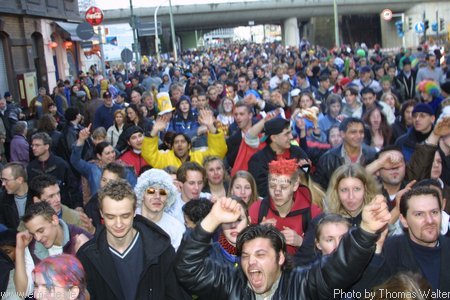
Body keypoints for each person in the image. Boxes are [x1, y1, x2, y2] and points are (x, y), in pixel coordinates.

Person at [175, 194, 390, 299]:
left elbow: (340, 268)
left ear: (279, 257)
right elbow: (187, 269)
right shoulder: (231, 285)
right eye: (246, 256)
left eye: (260, 254)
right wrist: (212, 220)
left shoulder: (302, 285)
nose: (251, 262)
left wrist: (365, 232)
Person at [76, 180, 189, 300]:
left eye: (125, 216)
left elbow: (176, 294)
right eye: (111, 217)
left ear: (135, 211)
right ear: (101, 214)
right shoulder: (87, 256)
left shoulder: (161, 249)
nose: (118, 224)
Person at [356, 187, 450, 293]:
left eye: (434, 212)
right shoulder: (389, 250)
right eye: (419, 214)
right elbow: (364, 292)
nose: (429, 220)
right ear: (404, 220)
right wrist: (377, 250)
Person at [296, 163, 381, 266]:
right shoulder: (321, 221)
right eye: (344, 190)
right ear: (336, 192)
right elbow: (302, 262)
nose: (351, 196)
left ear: (366, 190)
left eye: (356, 189)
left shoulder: (376, 221)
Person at [14, 202, 91, 297]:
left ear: (54, 220)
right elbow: (23, 293)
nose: (37, 238)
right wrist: (20, 250)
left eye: (41, 230)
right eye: (33, 234)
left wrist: (84, 255)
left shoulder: (82, 239)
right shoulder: (31, 246)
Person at [249, 159, 322, 255]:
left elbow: (325, 252)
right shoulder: (257, 209)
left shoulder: (313, 212)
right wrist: (258, 232)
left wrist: (301, 242)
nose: (277, 192)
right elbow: (241, 248)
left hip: (300, 268)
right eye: (272, 186)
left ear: (295, 185)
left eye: (283, 187)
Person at [142, 110, 227, 169]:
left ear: (189, 145)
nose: (179, 144)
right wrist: (154, 131)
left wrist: (211, 127)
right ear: (172, 147)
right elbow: (149, 155)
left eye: (183, 141)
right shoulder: (165, 159)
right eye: (176, 142)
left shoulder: (199, 157)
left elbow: (218, 152)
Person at [248, 117, 308, 197]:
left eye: (290, 132)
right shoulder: (258, 160)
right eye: (286, 134)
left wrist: (305, 169)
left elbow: (308, 176)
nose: (291, 137)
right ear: (274, 138)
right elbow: (262, 190)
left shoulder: (297, 152)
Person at [313, 117, 377, 190]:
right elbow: (319, 187)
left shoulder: (372, 154)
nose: (358, 136)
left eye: (361, 132)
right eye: (353, 132)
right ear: (342, 134)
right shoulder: (328, 159)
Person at [27, 132, 82, 210]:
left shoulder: (61, 165)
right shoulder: (30, 168)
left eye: (37, 145)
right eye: (32, 145)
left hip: (62, 207)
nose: (34, 148)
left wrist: (78, 206)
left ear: (47, 146)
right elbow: (29, 193)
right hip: (39, 211)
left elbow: (73, 187)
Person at [135, 168, 185, 251]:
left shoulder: (176, 228)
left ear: (168, 196)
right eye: (151, 191)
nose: (157, 196)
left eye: (162, 192)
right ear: (141, 194)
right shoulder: (130, 221)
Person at [28, 174, 95, 234]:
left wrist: (92, 231)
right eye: (51, 196)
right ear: (37, 200)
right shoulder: (27, 225)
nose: (58, 199)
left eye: (58, 193)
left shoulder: (77, 219)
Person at [209, 198, 249, 268]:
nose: (233, 225)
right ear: (220, 223)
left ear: (249, 221)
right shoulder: (211, 254)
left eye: (238, 219)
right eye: (227, 220)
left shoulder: (259, 252)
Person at [0, 163, 33, 230]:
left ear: (19, 180)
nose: (3, 184)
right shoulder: (2, 199)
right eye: (2, 180)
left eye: (6, 180)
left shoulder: (37, 196)